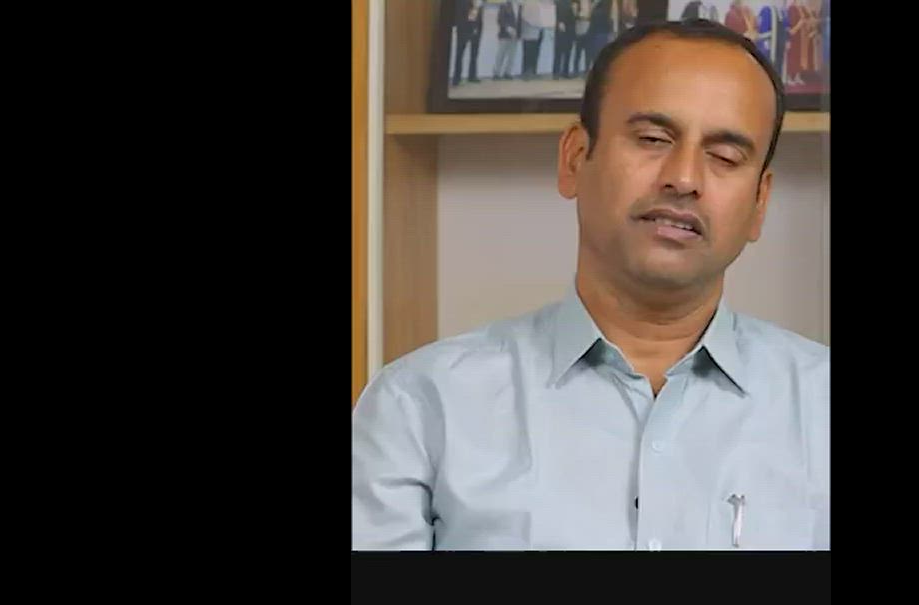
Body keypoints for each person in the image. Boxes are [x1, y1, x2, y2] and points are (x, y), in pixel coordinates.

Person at [352, 19, 830, 551]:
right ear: (575, 158)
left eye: (725, 157)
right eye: (653, 139)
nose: (684, 178)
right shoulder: (420, 407)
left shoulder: (820, 406)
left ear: (760, 203)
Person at [452, 0, 484, 86]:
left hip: (473, 29)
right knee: (460, 55)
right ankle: (457, 78)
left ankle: (471, 76)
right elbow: (470, 14)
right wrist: (474, 28)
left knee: (473, 54)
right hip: (465, 29)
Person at [494, 0, 520, 80]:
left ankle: (508, 73)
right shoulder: (504, 5)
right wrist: (508, 28)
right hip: (505, 34)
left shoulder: (519, 6)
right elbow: (500, 20)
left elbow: (519, 21)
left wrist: (518, 33)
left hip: (515, 35)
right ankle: (496, 74)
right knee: (501, 54)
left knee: (512, 56)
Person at [554, 0, 577, 79]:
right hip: (564, 29)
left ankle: (561, 72)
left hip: (568, 30)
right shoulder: (562, 3)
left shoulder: (570, 3)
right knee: (561, 52)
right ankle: (560, 72)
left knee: (565, 52)